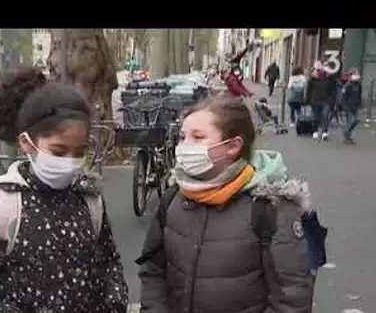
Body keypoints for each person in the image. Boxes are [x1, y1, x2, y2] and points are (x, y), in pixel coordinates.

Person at [0, 84, 129, 313]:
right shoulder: (0, 205)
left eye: (79, 152)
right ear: (26, 143)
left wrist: (114, 304)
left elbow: (109, 262)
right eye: (59, 152)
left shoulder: (90, 201)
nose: (70, 161)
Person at [138, 95, 319, 313]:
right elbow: (153, 270)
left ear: (233, 146)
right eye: (182, 137)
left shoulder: (270, 207)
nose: (184, 147)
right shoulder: (173, 199)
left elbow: (291, 298)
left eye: (198, 137)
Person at [306, 61, 337, 140]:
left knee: (325, 115)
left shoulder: (330, 78)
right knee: (315, 116)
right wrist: (307, 100)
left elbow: (333, 89)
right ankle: (315, 131)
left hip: (326, 100)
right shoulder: (313, 78)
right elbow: (309, 89)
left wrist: (332, 102)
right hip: (315, 100)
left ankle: (324, 132)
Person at [341, 68, 363, 144]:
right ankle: (347, 136)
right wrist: (344, 107)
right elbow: (343, 97)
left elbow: (359, 95)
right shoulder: (347, 85)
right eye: (355, 74)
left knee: (357, 120)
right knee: (350, 121)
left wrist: (360, 105)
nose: (357, 75)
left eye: (357, 74)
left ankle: (347, 134)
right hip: (348, 107)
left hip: (356, 106)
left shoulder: (358, 85)